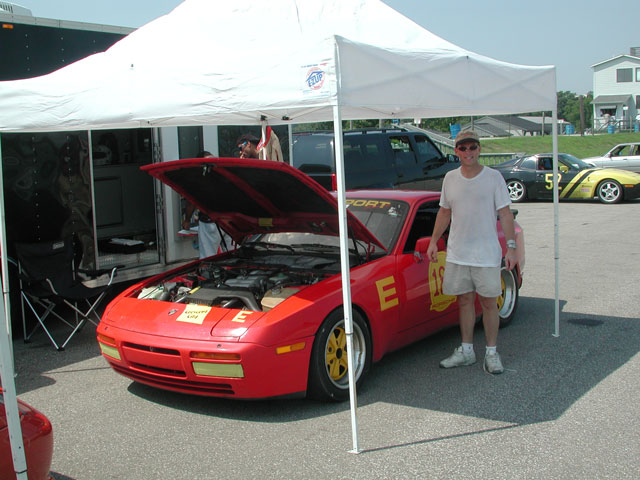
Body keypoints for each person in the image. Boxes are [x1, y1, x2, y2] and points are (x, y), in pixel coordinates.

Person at [426, 130, 517, 375]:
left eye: (473, 147)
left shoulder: (494, 177)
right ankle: (466, 351)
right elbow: (444, 212)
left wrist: (511, 247)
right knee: (464, 300)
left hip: (486, 254)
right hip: (457, 253)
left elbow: (505, 214)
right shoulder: (450, 178)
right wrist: (434, 241)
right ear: (456, 151)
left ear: (479, 149)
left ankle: (491, 352)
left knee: (488, 303)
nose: (469, 152)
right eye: (463, 148)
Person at [182, 151, 232, 258]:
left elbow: (191, 202)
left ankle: (209, 274)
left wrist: (187, 220)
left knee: (208, 257)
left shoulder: (200, 180)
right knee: (232, 255)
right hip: (229, 222)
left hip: (210, 223)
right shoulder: (225, 176)